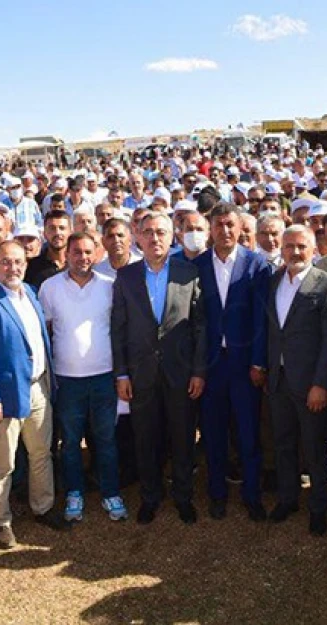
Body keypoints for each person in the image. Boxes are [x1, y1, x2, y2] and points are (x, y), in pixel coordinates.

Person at [0, 241, 69, 549]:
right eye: (6, 262)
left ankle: (43, 506)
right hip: (6, 395)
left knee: (41, 453)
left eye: (18, 262)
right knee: (3, 463)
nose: (13, 268)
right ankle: (1, 520)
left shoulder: (31, 295)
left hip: (38, 386)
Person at [111, 211, 206, 525]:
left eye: (161, 232)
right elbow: (119, 329)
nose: (155, 238)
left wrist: (198, 371)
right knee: (145, 438)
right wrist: (122, 374)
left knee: (182, 438)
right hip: (141, 375)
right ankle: (150, 496)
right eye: (148, 232)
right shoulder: (125, 277)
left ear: (173, 236)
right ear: (138, 236)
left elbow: (199, 328)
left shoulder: (188, 273)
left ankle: (183, 496)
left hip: (181, 373)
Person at [39, 232, 126, 523]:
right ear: (67, 255)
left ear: (97, 254)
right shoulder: (49, 288)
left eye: (89, 252)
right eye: (77, 252)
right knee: (71, 441)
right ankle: (74, 492)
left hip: (103, 377)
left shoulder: (110, 287)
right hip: (68, 380)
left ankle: (110, 492)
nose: (83, 258)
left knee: (106, 439)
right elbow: (47, 331)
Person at [265, 225, 327, 534]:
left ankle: (318, 506)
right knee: (283, 443)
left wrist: (321, 385)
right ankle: (288, 498)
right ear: (282, 249)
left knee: (314, 447)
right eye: (289, 246)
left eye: (301, 246)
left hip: (310, 383)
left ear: (314, 248)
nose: (295, 252)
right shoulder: (273, 282)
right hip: (278, 379)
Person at [193, 203, 270, 521]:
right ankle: (217, 493)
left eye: (230, 225)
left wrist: (258, 363)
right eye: (218, 225)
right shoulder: (197, 265)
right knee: (213, 432)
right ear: (210, 229)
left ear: (240, 229)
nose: (224, 231)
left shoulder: (257, 264)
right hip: (211, 365)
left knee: (249, 432)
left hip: (244, 364)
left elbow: (263, 318)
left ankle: (252, 494)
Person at [25, 210, 70, 289]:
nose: (57, 233)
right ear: (44, 233)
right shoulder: (31, 267)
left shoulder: (78, 263)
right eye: (52, 228)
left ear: (70, 232)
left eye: (62, 228)